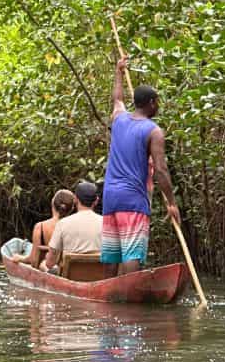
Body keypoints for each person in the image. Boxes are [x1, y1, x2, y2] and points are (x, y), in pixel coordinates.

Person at [101, 55, 181, 277]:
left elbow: (117, 99)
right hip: (133, 199)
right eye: (158, 102)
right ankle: (127, 299)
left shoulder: (119, 118)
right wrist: (172, 203)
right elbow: (161, 170)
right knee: (131, 254)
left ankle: (110, 296)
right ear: (152, 103)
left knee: (112, 254)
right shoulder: (153, 131)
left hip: (110, 197)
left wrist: (118, 71)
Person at [42, 181, 103, 274]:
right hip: (99, 276)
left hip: (70, 277)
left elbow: (50, 263)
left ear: (75, 199)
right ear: (96, 201)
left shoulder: (63, 223)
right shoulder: (107, 224)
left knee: (43, 264)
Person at [11, 189, 76, 267]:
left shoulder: (40, 227)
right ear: (71, 209)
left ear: (52, 203)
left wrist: (20, 258)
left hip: (48, 268)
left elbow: (33, 260)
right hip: (66, 269)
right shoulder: (75, 228)